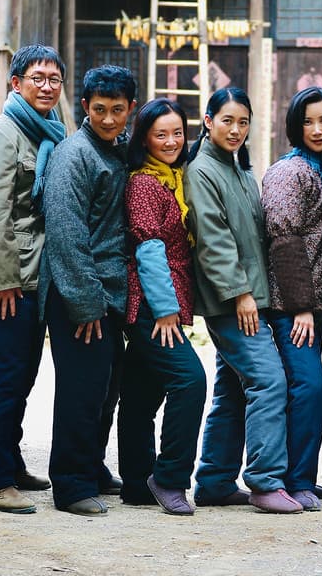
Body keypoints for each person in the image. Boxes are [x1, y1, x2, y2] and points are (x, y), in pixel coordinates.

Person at [187, 87, 301, 514]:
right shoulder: (202, 171)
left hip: (251, 298)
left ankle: (214, 480)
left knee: (233, 391)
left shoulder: (237, 169)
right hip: (233, 302)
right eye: (227, 120)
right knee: (269, 382)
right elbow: (213, 241)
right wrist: (241, 294)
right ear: (208, 121)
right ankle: (265, 481)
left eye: (243, 122)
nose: (236, 130)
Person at [0, 44, 67, 514]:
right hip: (7, 283)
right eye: (37, 78)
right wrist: (1, 280)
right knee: (2, 379)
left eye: (54, 79)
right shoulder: (1, 135)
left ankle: (9, 459)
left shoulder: (50, 132)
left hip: (35, 279)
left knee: (23, 377)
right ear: (16, 83)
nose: (46, 86)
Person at [40, 65, 135, 516]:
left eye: (117, 110)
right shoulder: (73, 154)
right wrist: (85, 304)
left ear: (130, 108)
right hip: (79, 296)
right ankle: (71, 485)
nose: (108, 119)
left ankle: (92, 467)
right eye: (100, 110)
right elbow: (66, 232)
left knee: (105, 389)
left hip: (110, 294)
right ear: (84, 107)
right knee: (81, 392)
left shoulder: (119, 151)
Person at [118, 98, 207, 516]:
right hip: (151, 307)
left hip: (162, 304)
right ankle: (169, 477)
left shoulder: (173, 177)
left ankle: (137, 483)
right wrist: (166, 309)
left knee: (141, 395)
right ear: (144, 139)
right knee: (190, 381)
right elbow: (149, 249)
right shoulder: (144, 184)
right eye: (161, 134)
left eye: (177, 133)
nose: (171, 141)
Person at [259, 86, 322, 511]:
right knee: (308, 387)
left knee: (307, 388)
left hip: (311, 302)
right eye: (308, 121)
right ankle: (296, 481)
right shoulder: (288, 171)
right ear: (295, 125)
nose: (317, 129)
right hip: (289, 304)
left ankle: (301, 474)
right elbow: (284, 241)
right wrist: (301, 308)